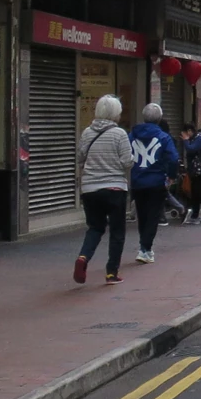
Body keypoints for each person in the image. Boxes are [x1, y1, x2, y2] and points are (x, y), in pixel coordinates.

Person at [74, 96, 132, 285]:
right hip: (115, 188)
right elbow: (126, 162)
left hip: (90, 189)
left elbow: (80, 158)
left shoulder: (87, 133)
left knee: (95, 227)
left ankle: (83, 257)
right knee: (117, 231)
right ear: (116, 113)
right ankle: (111, 273)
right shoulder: (119, 134)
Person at [128, 103, 181, 264]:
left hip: (137, 181)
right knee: (153, 216)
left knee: (142, 214)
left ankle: (143, 246)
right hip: (156, 181)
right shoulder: (164, 137)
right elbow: (173, 158)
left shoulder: (132, 135)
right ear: (159, 119)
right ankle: (145, 249)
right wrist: (171, 176)